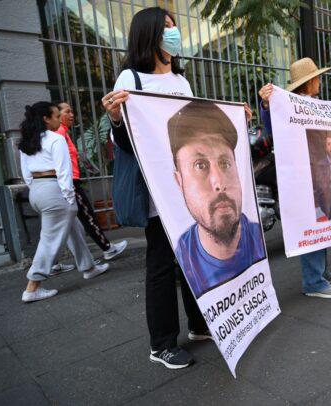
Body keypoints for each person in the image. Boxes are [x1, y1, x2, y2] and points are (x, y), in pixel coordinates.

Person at [102, 7, 210, 370]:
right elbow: (127, 143)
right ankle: (162, 343)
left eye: (174, 26)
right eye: (166, 27)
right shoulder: (129, 79)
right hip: (156, 194)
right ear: (148, 34)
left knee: (193, 256)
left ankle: (198, 325)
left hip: (186, 188)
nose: (173, 32)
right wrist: (116, 120)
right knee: (162, 264)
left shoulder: (181, 82)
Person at [258, 57, 331, 299]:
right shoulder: (290, 105)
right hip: (303, 178)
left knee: (322, 224)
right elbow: (272, 124)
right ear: (310, 81)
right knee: (312, 223)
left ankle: (321, 272)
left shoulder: (314, 104)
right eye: (317, 77)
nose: (319, 81)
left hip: (318, 175)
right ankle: (313, 281)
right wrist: (266, 106)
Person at [169, 101, 266, 298]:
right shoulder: (185, 256)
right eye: (200, 165)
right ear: (180, 181)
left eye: (225, 163)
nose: (219, 183)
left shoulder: (257, 238)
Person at [19, 102, 110, 303]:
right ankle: (32, 286)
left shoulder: (28, 142)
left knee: (72, 227)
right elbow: (63, 172)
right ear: (46, 119)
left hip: (37, 191)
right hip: (54, 191)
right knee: (50, 239)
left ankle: (88, 267)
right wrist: (69, 198)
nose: (59, 119)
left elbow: (26, 175)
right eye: (55, 115)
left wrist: (39, 190)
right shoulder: (56, 139)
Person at [51, 101, 127, 274]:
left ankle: (54, 263)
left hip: (67, 182)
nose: (71, 115)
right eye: (67, 112)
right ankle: (107, 248)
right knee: (87, 217)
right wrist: (69, 187)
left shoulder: (62, 134)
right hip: (69, 182)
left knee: (65, 225)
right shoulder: (59, 134)